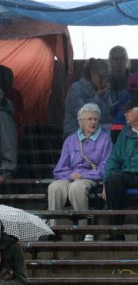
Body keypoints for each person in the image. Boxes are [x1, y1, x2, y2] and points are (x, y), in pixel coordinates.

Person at [48, 103, 112, 235]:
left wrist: (84, 175)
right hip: (71, 176)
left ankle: (85, 228)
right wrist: (70, 175)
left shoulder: (105, 139)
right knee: (55, 187)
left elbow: (106, 165)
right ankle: (54, 230)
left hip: (91, 177)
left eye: (95, 119)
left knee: (76, 187)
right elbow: (60, 168)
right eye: (89, 119)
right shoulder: (70, 140)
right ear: (81, 121)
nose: (93, 122)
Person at [103, 105, 138, 219]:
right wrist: (105, 182)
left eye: (128, 111)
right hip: (128, 174)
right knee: (113, 179)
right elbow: (114, 159)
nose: (124, 114)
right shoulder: (125, 133)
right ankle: (116, 233)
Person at [63, 58, 112, 137]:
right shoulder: (76, 89)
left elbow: (107, 118)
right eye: (101, 76)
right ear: (92, 73)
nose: (104, 80)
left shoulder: (104, 90)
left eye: (107, 77)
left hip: (98, 130)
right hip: (75, 131)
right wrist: (99, 97)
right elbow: (84, 116)